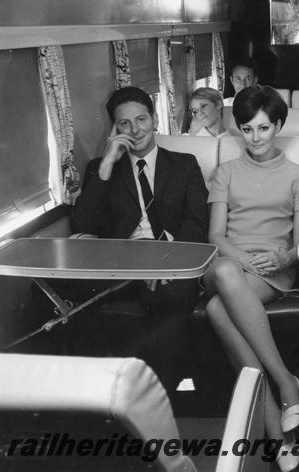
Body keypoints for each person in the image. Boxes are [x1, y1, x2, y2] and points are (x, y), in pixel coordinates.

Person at [204, 85, 299, 471]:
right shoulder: (226, 172)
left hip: (272, 271)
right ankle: (286, 381)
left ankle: (275, 431)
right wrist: (242, 259)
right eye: (247, 129)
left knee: (219, 309)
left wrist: (281, 256)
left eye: (264, 128)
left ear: (278, 126)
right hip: (229, 263)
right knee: (222, 270)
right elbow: (215, 236)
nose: (255, 138)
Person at [70, 86, 209, 388]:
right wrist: (107, 163)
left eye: (141, 119)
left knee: (169, 294)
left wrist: (161, 261)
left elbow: (197, 224)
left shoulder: (185, 165)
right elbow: (81, 224)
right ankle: (113, 394)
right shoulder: (102, 168)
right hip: (121, 267)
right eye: (124, 123)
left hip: (172, 263)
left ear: (155, 119)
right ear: (114, 129)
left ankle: (154, 393)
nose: (135, 129)